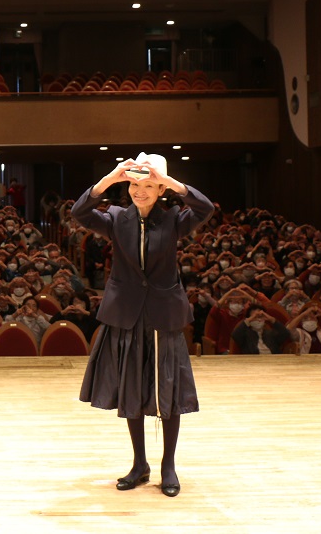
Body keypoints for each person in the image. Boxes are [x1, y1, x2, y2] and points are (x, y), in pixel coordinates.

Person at [71, 152, 214, 498]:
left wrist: (171, 183)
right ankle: (139, 465)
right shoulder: (117, 218)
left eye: (149, 185)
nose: (140, 191)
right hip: (127, 313)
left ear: (160, 189)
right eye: (136, 185)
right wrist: (111, 178)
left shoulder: (174, 219)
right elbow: (79, 212)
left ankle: (168, 465)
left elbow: (206, 209)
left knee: (169, 391)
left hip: (163, 314)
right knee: (132, 388)